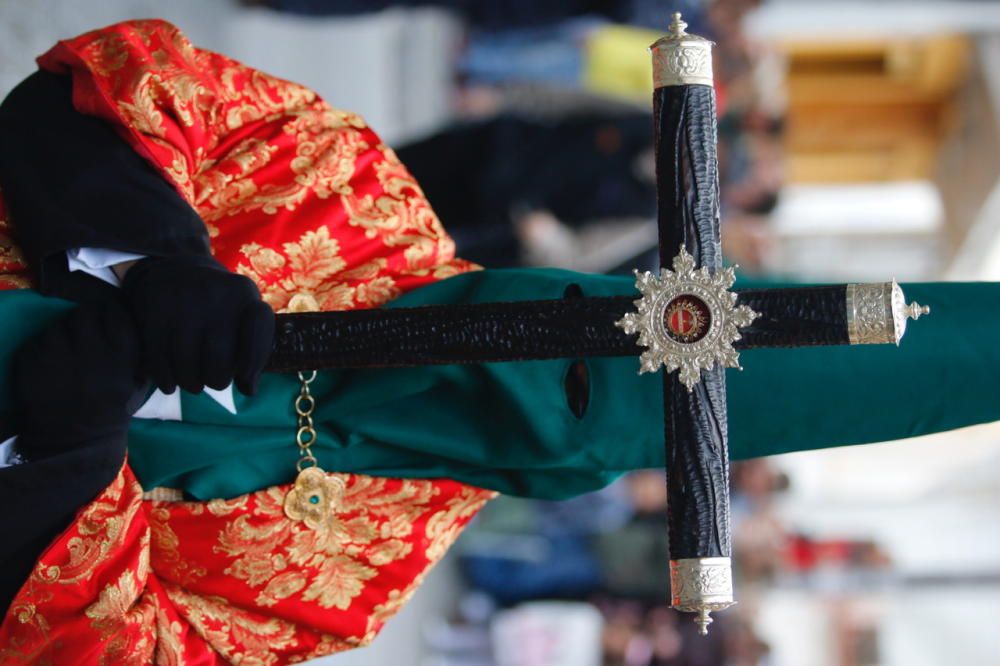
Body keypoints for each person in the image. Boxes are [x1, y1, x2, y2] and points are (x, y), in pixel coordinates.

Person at [0, 19, 998, 663]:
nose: (524, 373)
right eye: (565, 330)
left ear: (570, 474)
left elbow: (125, 653)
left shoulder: (365, 571)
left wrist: (65, 464)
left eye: (572, 406)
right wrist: (151, 255)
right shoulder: (350, 190)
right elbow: (106, 82)